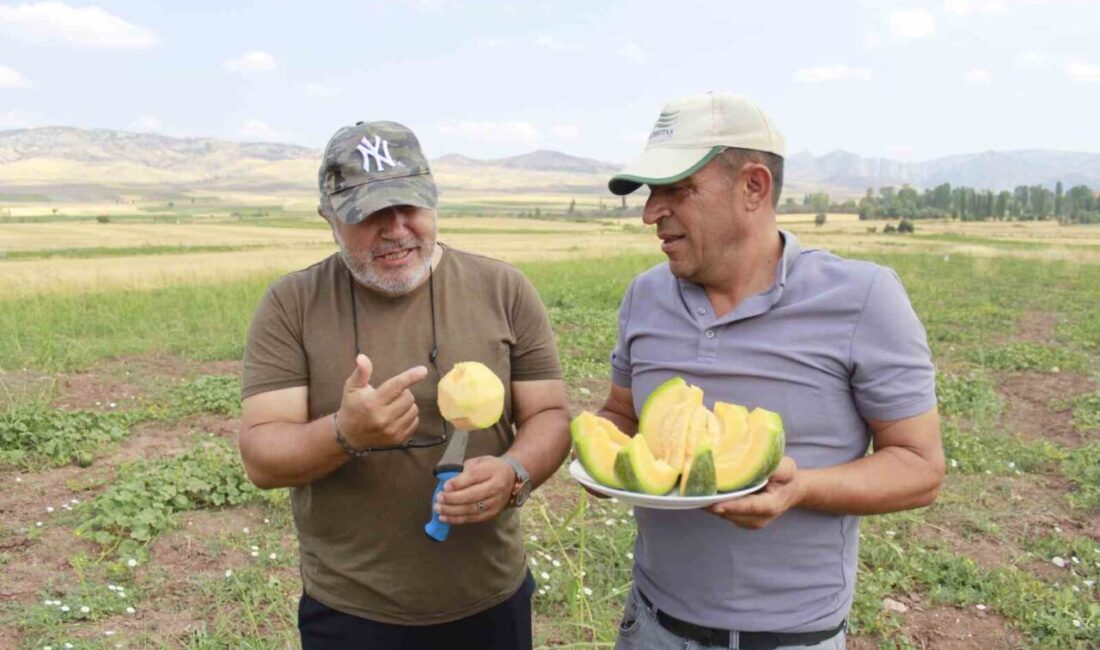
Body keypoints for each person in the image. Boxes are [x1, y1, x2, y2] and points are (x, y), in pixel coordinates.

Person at [597, 93, 945, 650]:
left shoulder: (862, 298)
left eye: (675, 190)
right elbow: (619, 413)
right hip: (651, 623)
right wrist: (604, 458)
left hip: (792, 636)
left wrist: (801, 487)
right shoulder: (645, 295)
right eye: (647, 193)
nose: (650, 212)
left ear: (753, 187)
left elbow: (920, 467)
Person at [237, 120, 571, 649]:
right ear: (329, 217)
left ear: (433, 198)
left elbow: (549, 415)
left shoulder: (504, 288)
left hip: (491, 600)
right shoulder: (292, 305)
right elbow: (261, 456)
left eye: (409, 206)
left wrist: (514, 472)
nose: (395, 229)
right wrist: (346, 433)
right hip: (351, 613)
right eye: (370, 213)